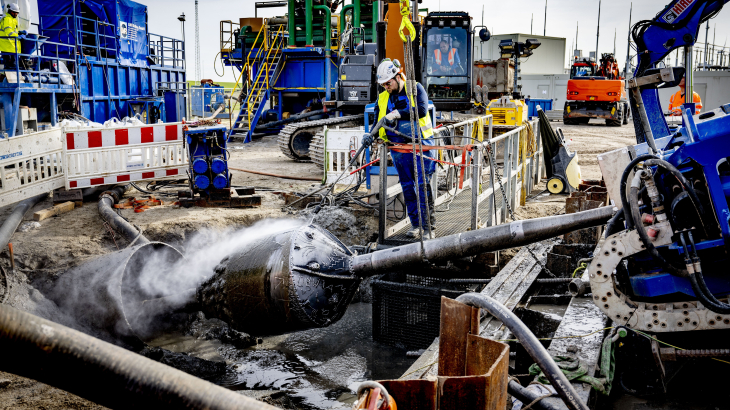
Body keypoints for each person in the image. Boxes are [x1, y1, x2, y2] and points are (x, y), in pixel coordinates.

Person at [362, 59, 436, 239]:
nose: (386, 87)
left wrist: (398, 113)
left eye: (388, 83)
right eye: (383, 84)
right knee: (408, 187)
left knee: (422, 186)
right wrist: (370, 135)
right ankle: (416, 225)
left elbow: (423, 110)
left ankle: (428, 228)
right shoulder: (383, 97)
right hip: (398, 150)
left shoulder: (415, 88)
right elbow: (378, 121)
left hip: (420, 147)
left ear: (398, 76)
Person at [0, 3, 24, 70]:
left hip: (11, 47)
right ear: (11, 11)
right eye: (15, 12)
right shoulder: (7, 19)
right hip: (7, 47)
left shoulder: (13, 19)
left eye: (17, 13)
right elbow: (9, 32)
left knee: (13, 67)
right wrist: (18, 35)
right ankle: (9, 79)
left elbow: (13, 31)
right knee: (10, 67)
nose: (16, 14)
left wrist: (20, 32)